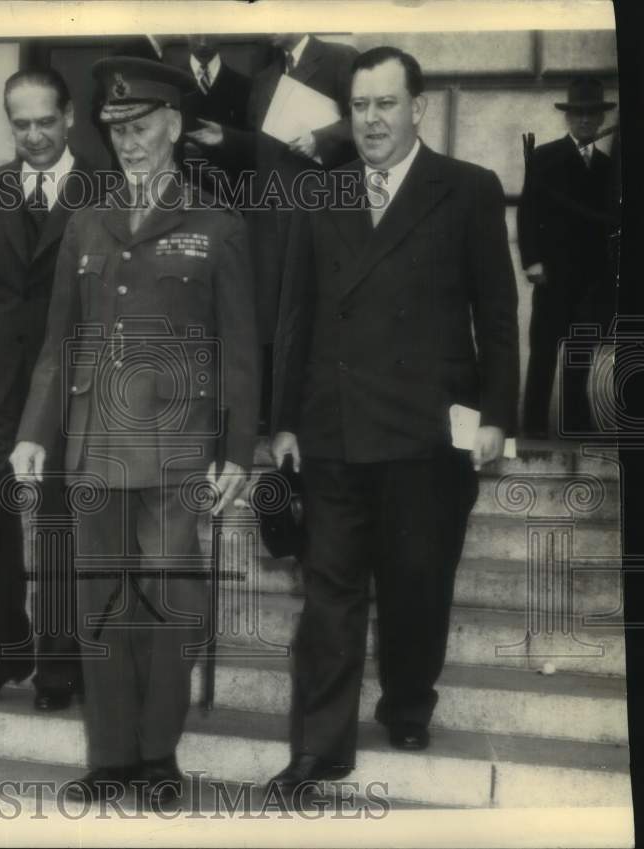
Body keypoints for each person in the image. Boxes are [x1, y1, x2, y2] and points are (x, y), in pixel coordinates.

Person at [269, 47, 519, 796]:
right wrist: (283, 421)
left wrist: (496, 416)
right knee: (330, 594)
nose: (371, 120)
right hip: (334, 427)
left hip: (427, 428)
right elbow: (296, 317)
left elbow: (497, 318)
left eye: (385, 104)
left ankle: (409, 699)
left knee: (417, 581)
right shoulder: (323, 194)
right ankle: (320, 748)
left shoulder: (468, 190)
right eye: (359, 106)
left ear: (417, 106)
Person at [10, 57, 259, 805]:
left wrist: (237, 450)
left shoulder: (217, 226)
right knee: (100, 606)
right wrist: (34, 432)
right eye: (116, 129)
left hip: (179, 449)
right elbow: (60, 344)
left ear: (176, 126)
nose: (130, 141)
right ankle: (111, 756)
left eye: (143, 125)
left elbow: (241, 352)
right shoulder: (86, 221)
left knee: (165, 605)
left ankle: (157, 757)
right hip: (93, 446)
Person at [0, 68, 100, 711]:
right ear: (8, 123)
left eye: (46, 121)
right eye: (21, 124)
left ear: (69, 117)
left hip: (74, 381)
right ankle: (1, 652)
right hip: (0, 381)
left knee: (61, 525)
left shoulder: (106, 188)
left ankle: (59, 666)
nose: (35, 135)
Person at [187, 32, 358, 427]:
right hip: (268, 222)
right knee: (270, 323)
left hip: (321, 216)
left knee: (316, 321)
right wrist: (226, 139)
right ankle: (274, 416)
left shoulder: (339, 60)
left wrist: (321, 139)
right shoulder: (264, 78)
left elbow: (365, 123)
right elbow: (266, 151)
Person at [517, 77, 616, 438]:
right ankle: (533, 428)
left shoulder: (608, 167)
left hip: (590, 280)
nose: (586, 121)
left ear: (601, 120)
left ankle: (575, 425)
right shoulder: (544, 157)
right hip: (553, 275)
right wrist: (532, 262)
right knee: (544, 352)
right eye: (579, 114)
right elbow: (527, 212)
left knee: (580, 352)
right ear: (568, 118)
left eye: (592, 115)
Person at [178, 34, 253, 184]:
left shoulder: (245, 86)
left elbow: (253, 145)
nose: (203, 42)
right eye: (196, 33)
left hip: (230, 189)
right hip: (182, 186)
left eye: (210, 34)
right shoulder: (170, 83)